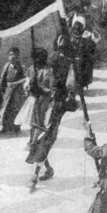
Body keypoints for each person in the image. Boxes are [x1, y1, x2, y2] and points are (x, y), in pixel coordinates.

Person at [26, 52, 73, 189]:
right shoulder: (43, 72)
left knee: (43, 144)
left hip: (51, 115)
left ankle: (35, 177)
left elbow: (55, 94)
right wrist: (33, 88)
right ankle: (48, 169)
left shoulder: (57, 79)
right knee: (37, 144)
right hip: (41, 112)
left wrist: (43, 90)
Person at [14, 47, 54, 150]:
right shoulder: (31, 69)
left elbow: (51, 88)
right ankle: (32, 140)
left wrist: (41, 89)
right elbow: (27, 83)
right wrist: (29, 87)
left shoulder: (48, 71)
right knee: (33, 121)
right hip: (33, 98)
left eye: (39, 58)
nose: (37, 60)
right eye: (35, 58)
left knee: (39, 121)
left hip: (43, 99)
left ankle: (35, 142)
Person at [0, 47, 25, 134]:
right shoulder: (6, 66)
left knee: (16, 108)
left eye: (15, 55)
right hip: (8, 90)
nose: (12, 57)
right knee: (6, 108)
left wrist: (16, 83)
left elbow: (25, 79)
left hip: (17, 91)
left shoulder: (21, 67)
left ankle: (16, 127)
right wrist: (1, 87)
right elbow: (2, 78)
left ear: (18, 56)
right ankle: (5, 127)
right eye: (10, 55)